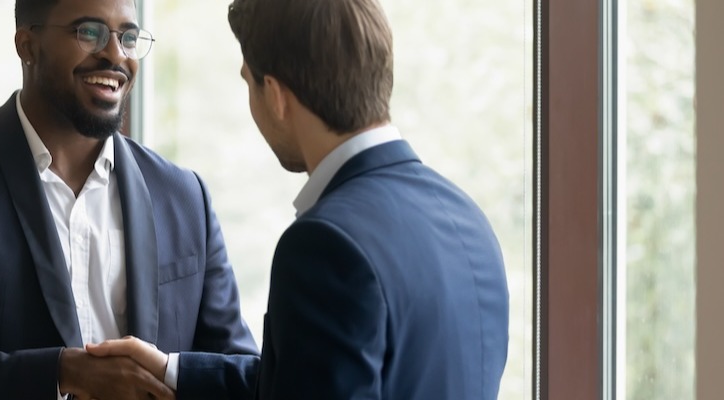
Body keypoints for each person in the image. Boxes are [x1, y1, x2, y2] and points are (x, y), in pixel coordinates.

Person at [87, 0, 510, 398]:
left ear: (275, 94)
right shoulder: (469, 219)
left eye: (247, 83)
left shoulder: (326, 246)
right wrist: (173, 372)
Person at [0, 0, 259, 398]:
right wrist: (61, 373)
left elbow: (240, 372)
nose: (115, 54)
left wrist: (171, 373)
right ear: (28, 46)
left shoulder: (184, 196)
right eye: (88, 32)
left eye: (128, 37)